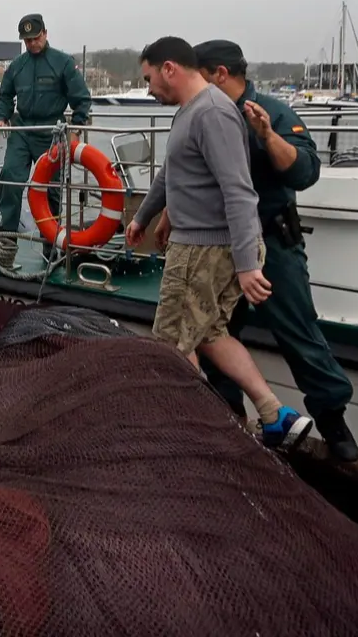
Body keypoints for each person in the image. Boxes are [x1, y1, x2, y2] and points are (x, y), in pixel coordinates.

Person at [125, 36, 312, 451]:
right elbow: (170, 173)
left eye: (149, 78)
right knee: (209, 332)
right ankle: (275, 415)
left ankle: (199, 431)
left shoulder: (212, 113)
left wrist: (247, 264)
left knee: (174, 342)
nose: (149, 88)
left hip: (202, 251)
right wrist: (144, 215)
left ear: (170, 68)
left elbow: (239, 192)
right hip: (198, 245)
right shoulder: (189, 112)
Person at [193, 39, 358, 462]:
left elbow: (305, 172)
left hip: (271, 243)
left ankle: (333, 422)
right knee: (216, 332)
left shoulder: (273, 112)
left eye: (200, 74)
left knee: (298, 332)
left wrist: (267, 136)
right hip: (219, 244)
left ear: (220, 74)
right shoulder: (202, 114)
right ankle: (228, 415)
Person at [0, 14, 92, 244]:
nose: (32, 43)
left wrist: (77, 127)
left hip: (51, 131)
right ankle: (8, 231)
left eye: (35, 38)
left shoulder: (63, 63)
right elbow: (4, 95)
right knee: (10, 177)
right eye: (27, 40)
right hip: (22, 130)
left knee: (51, 189)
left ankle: (49, 238)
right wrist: (0, 118)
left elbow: (82, 99)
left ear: (45, 33)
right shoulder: (17, 66)